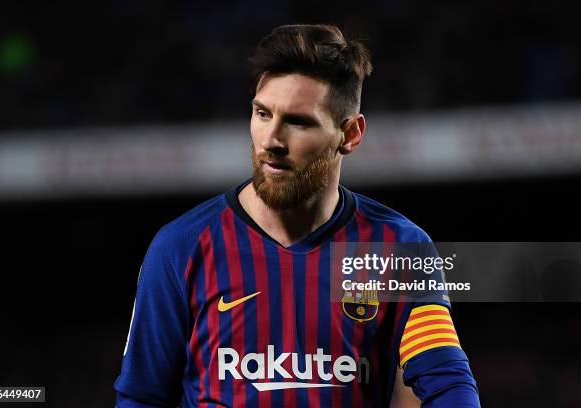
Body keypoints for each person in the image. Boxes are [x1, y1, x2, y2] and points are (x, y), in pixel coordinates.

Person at [114, 24, 480, 407]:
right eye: (261, 113)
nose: (271, 140)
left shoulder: (400, 248)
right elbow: (141, 396)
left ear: (350, 134)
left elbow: (446, 382)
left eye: (297, 121)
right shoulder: (181, 247)